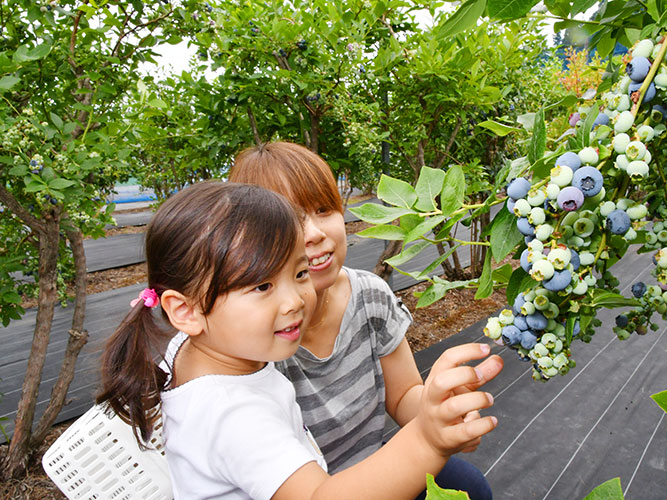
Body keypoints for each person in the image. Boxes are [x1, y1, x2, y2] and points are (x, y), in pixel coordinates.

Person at [97, 181, 500, 500]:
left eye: (300, 274)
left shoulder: (209, 350)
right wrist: (425, 438)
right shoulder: (231, 413)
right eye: (262, 285)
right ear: (185, 311)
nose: (294, 301)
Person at [229, 142, 501, 499]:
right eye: (290, 220)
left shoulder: (369, 295)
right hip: (314, 489)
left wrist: (441, 412)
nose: (313, 233)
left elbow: (403, 394)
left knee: (469, 485)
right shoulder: (255, 341)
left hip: (380, 461)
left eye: (324, 209)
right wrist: (426, 440)